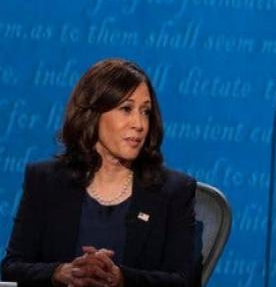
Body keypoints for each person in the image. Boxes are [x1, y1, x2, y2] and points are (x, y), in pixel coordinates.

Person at [1, 58, 196, 287]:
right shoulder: (45, 180)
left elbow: (185, 281)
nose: (139, 124)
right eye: (126, 109)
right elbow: (12, 267)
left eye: (145, 111)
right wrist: (61, 273)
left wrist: (122, 279)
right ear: (93, 113)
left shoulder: (174, 191)